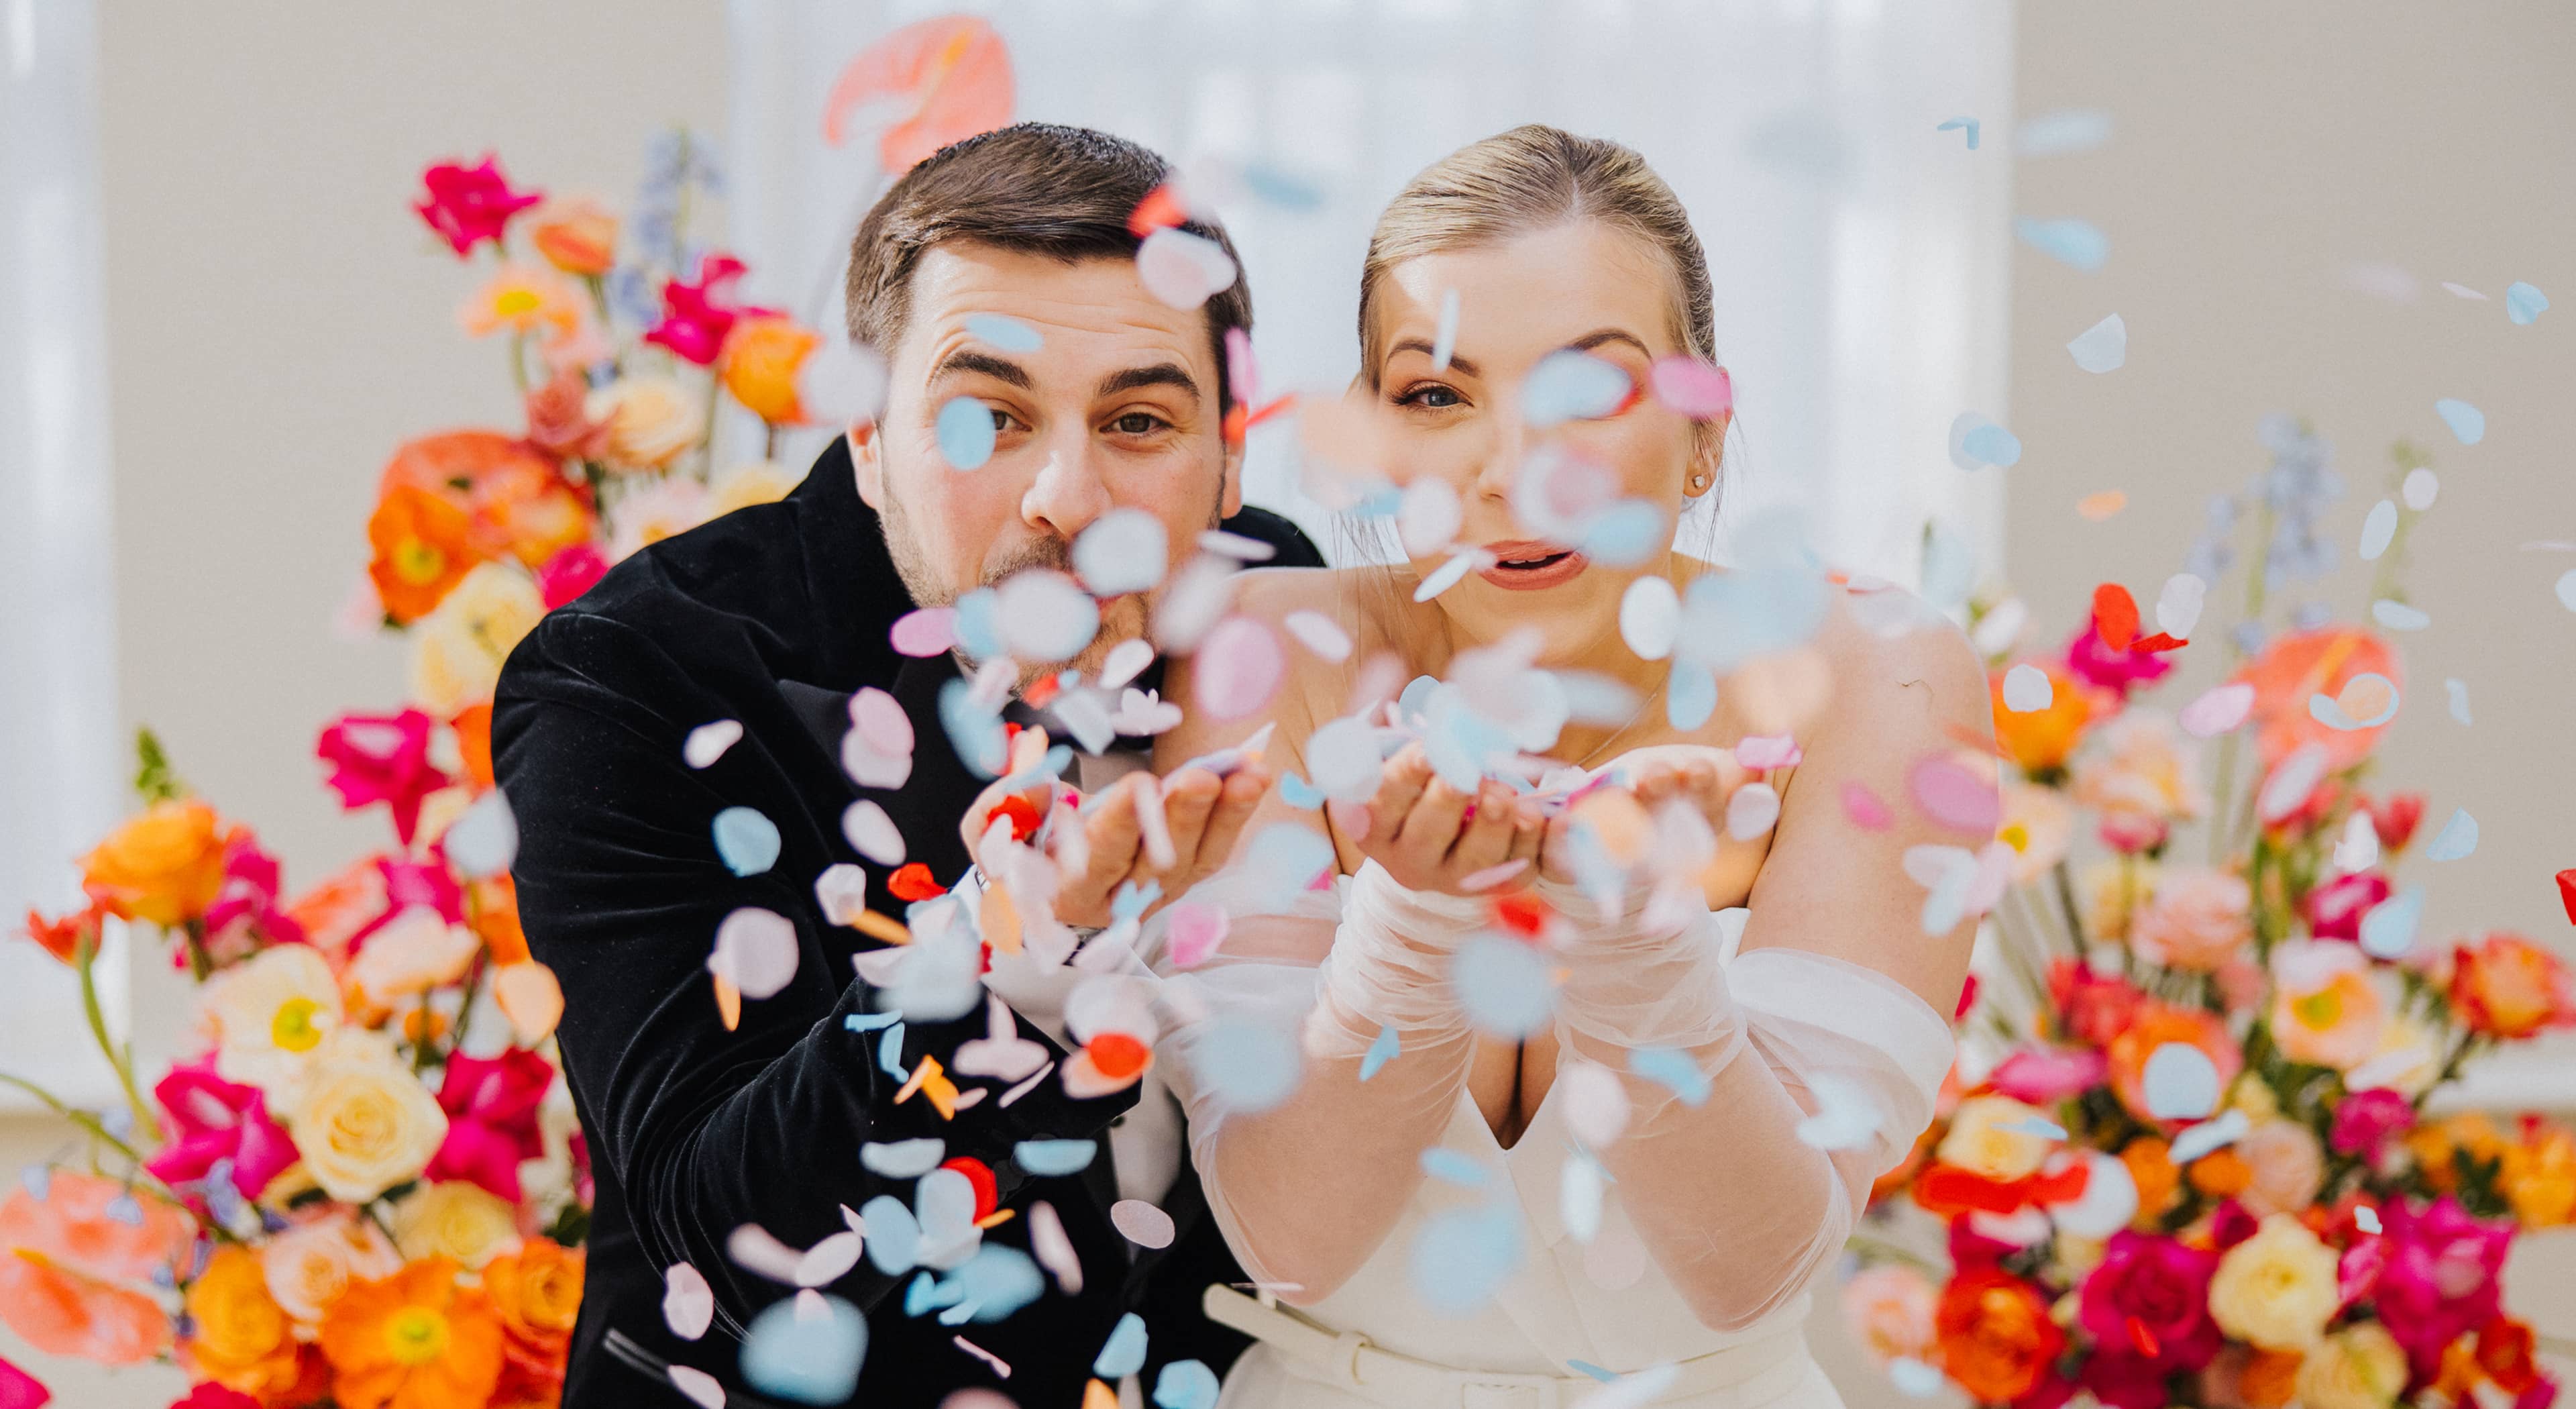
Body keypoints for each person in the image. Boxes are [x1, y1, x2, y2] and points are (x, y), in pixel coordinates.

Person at [1109, 125, 1989, 1407]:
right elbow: (1290, 1245)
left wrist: (1632, 942)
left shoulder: (1881, 673)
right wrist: (1416, 917)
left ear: (1704, 429)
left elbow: (1755, 1267)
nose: (1511, 473)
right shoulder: (1262, 652)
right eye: (1435, 395)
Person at [494, 123, 1321, 1409]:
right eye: (985, 414)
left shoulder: (1280, 611)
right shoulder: (636, 675)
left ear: (1229, 461)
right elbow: (720, 1230)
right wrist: (1001, 947)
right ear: (870, 437)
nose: (1067, 496)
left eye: (1142, 422)